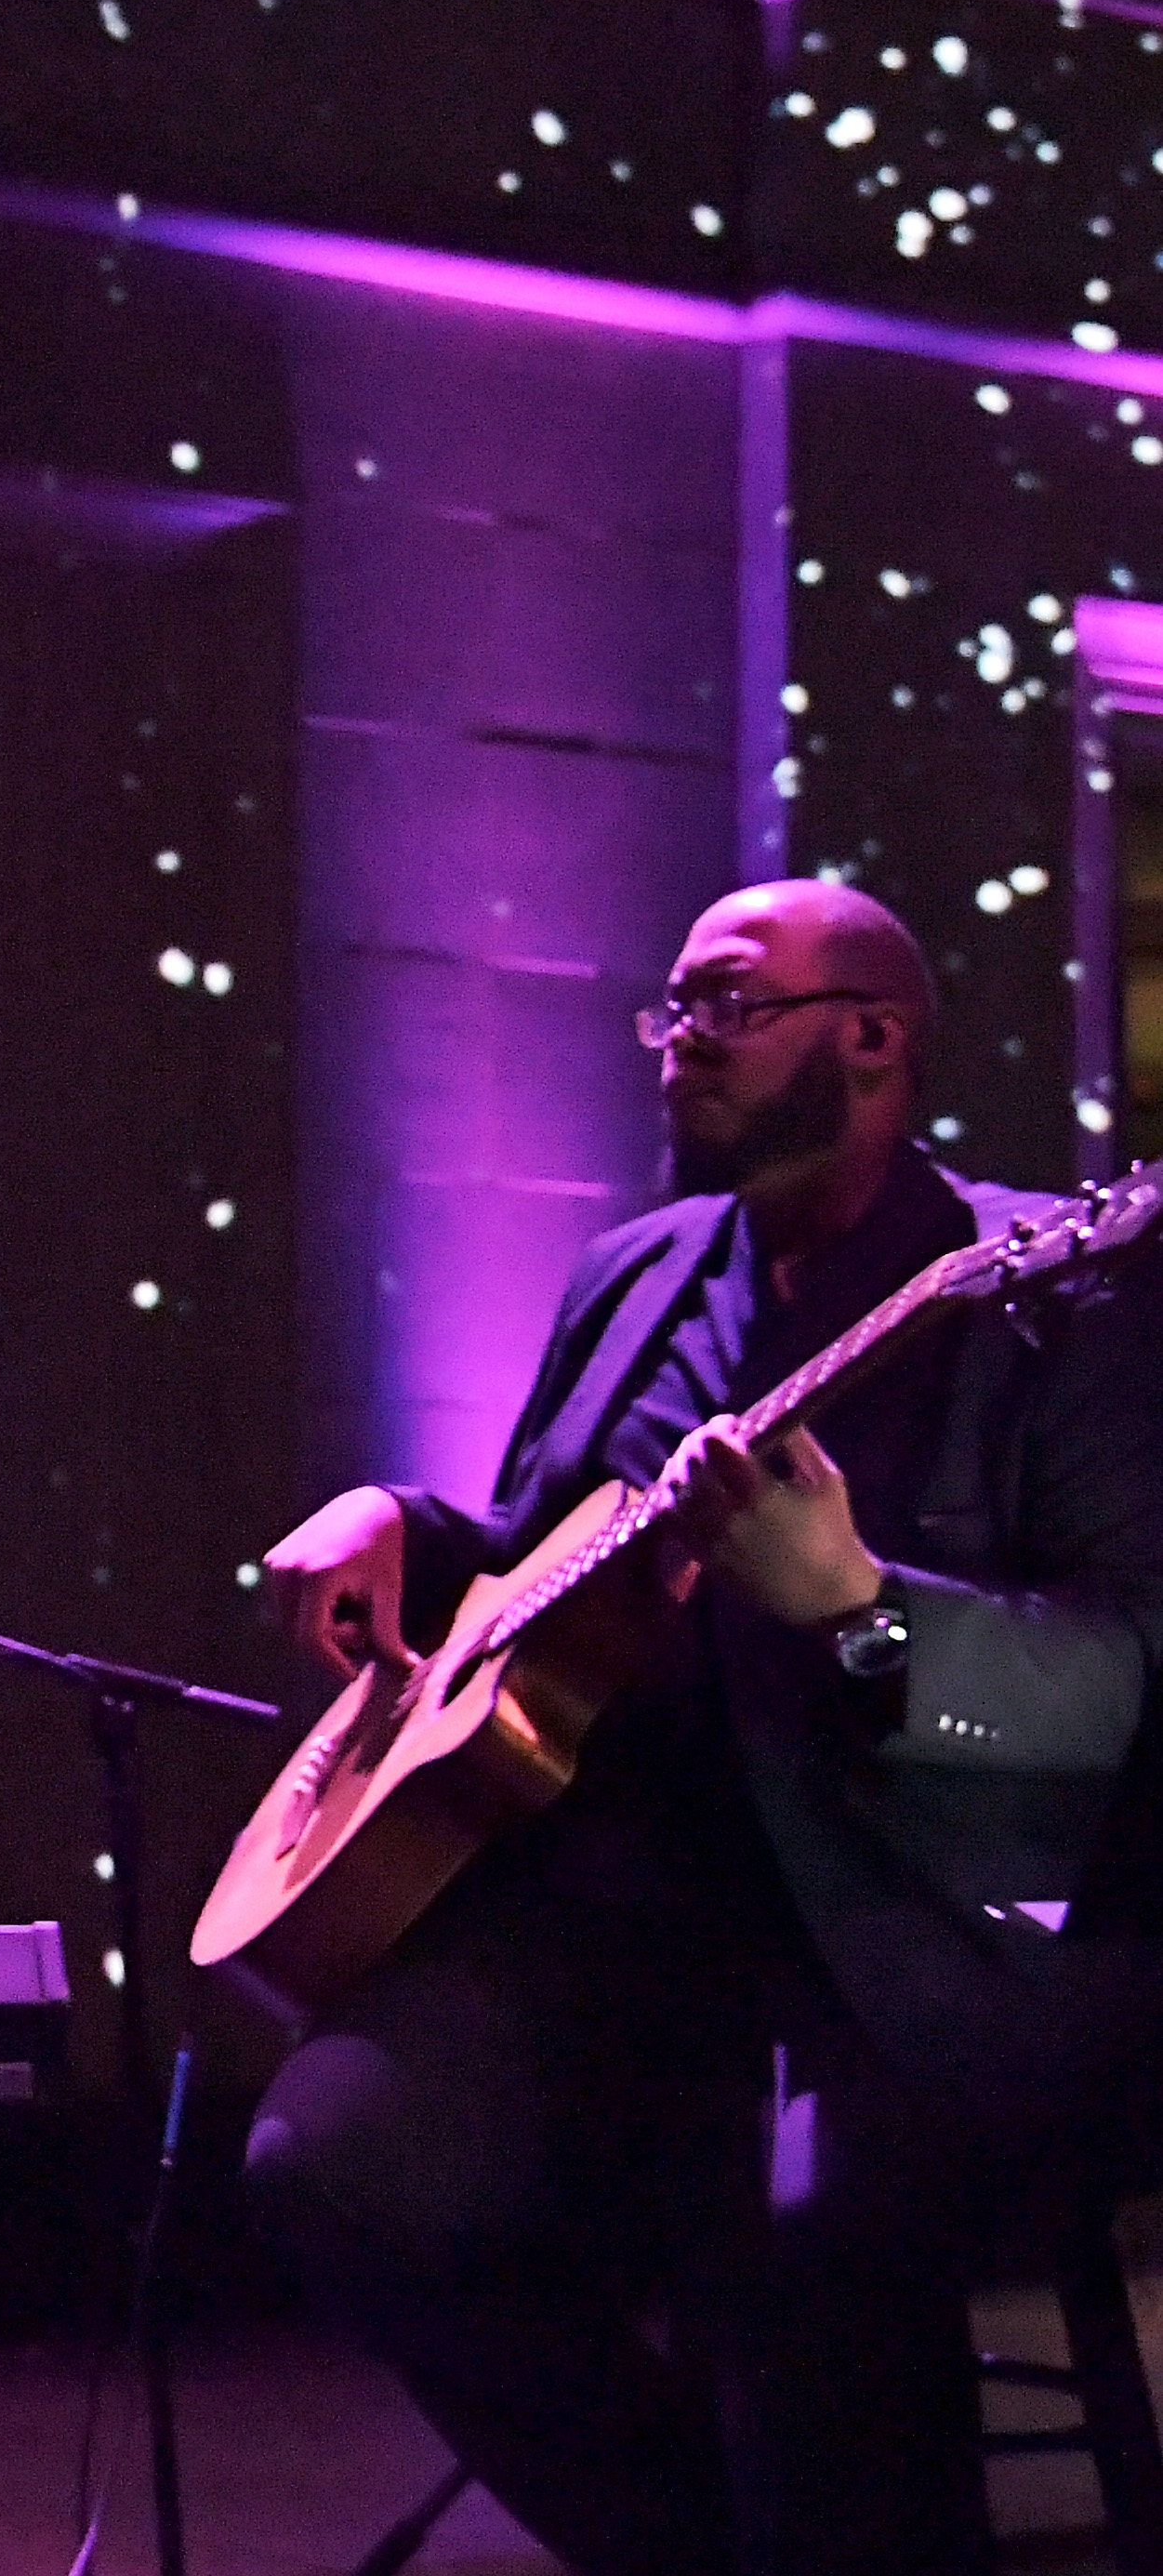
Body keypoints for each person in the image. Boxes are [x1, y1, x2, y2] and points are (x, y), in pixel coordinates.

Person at [240, 878, 1163, 2575]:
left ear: (872, 1038)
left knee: (806, 2267)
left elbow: (1121, 1678)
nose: (679, 1045)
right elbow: (540, 1554)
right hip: (605, 1918)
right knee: (333, 2160)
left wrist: (855, 1608)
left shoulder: (1057, 1291)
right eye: (669, 1010)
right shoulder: (634, 1274)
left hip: (905, 1941)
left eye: (725, 1005)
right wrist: (397, 1523)